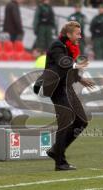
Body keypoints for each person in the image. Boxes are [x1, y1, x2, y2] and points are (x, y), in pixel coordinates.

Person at [37, 21, 95, 171]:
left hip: (66, 86)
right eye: (77, 33)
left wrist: (80, 79)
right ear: (68, 34)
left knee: (82, 121)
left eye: (80, 33)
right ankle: (60, 162)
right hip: (56, 87)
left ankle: (56, 150)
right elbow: (62, 62)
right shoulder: (57, 45)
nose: (80, 36)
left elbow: (68, 68)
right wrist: (76, 65)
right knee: (66, 121)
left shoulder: (70, 46)